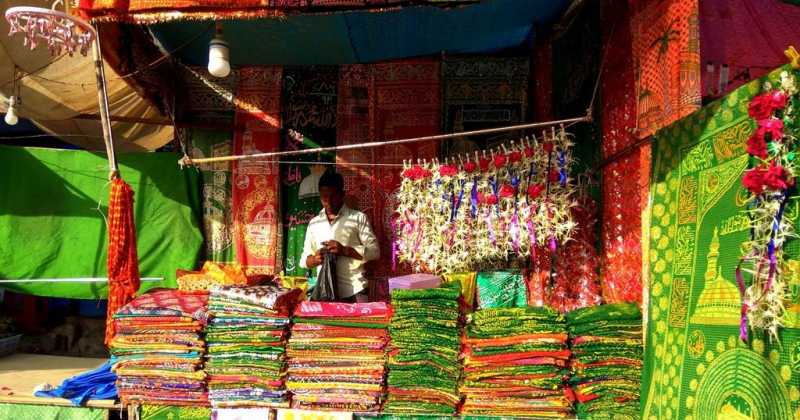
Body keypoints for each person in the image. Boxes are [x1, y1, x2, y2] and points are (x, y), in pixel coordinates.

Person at [299, 170, 379, 302]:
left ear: (342, 195)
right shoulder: (314, 223)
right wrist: (315, 259)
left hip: (354, 291)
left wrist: (345, 250)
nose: (328, 202)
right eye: (324, 197)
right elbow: (304, 261)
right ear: (320, 196)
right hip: (325, 292)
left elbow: (375, 252)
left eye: (333, 196)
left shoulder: (358, 218)